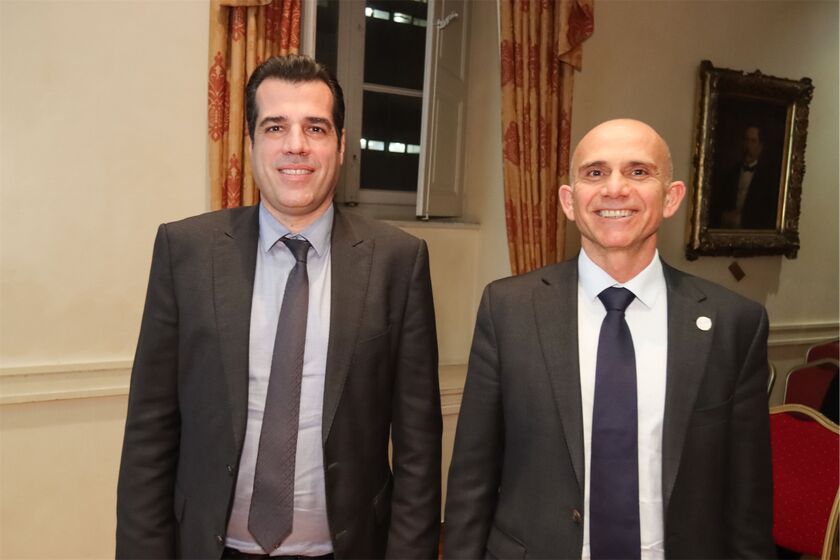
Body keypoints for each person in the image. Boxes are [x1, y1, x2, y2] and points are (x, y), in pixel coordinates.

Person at [116, 55, 442, 559]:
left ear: (340, 145)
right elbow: (149, 432)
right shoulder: (186, 253)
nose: (296, 145)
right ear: (250, 143)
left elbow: (419, 446)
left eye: (315, 127)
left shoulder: (398, 262)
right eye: (275, 127)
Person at [444, 119, 774, 559]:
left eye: (638, 171)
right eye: (595, 173)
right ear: (569, 200)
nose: (615, 189)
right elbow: (472, 478)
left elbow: (748, 501)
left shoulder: (734, 323)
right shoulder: (508, 310)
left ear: (671, 197)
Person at [709, 124, 781, 229]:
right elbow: (716, 206)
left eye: (753, 141)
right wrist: (724, 217)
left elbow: (769, 215)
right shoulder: (730, 174)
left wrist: (743, 220)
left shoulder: (769, 178)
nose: (748, 146)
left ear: (760, 147)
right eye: (746, 140)